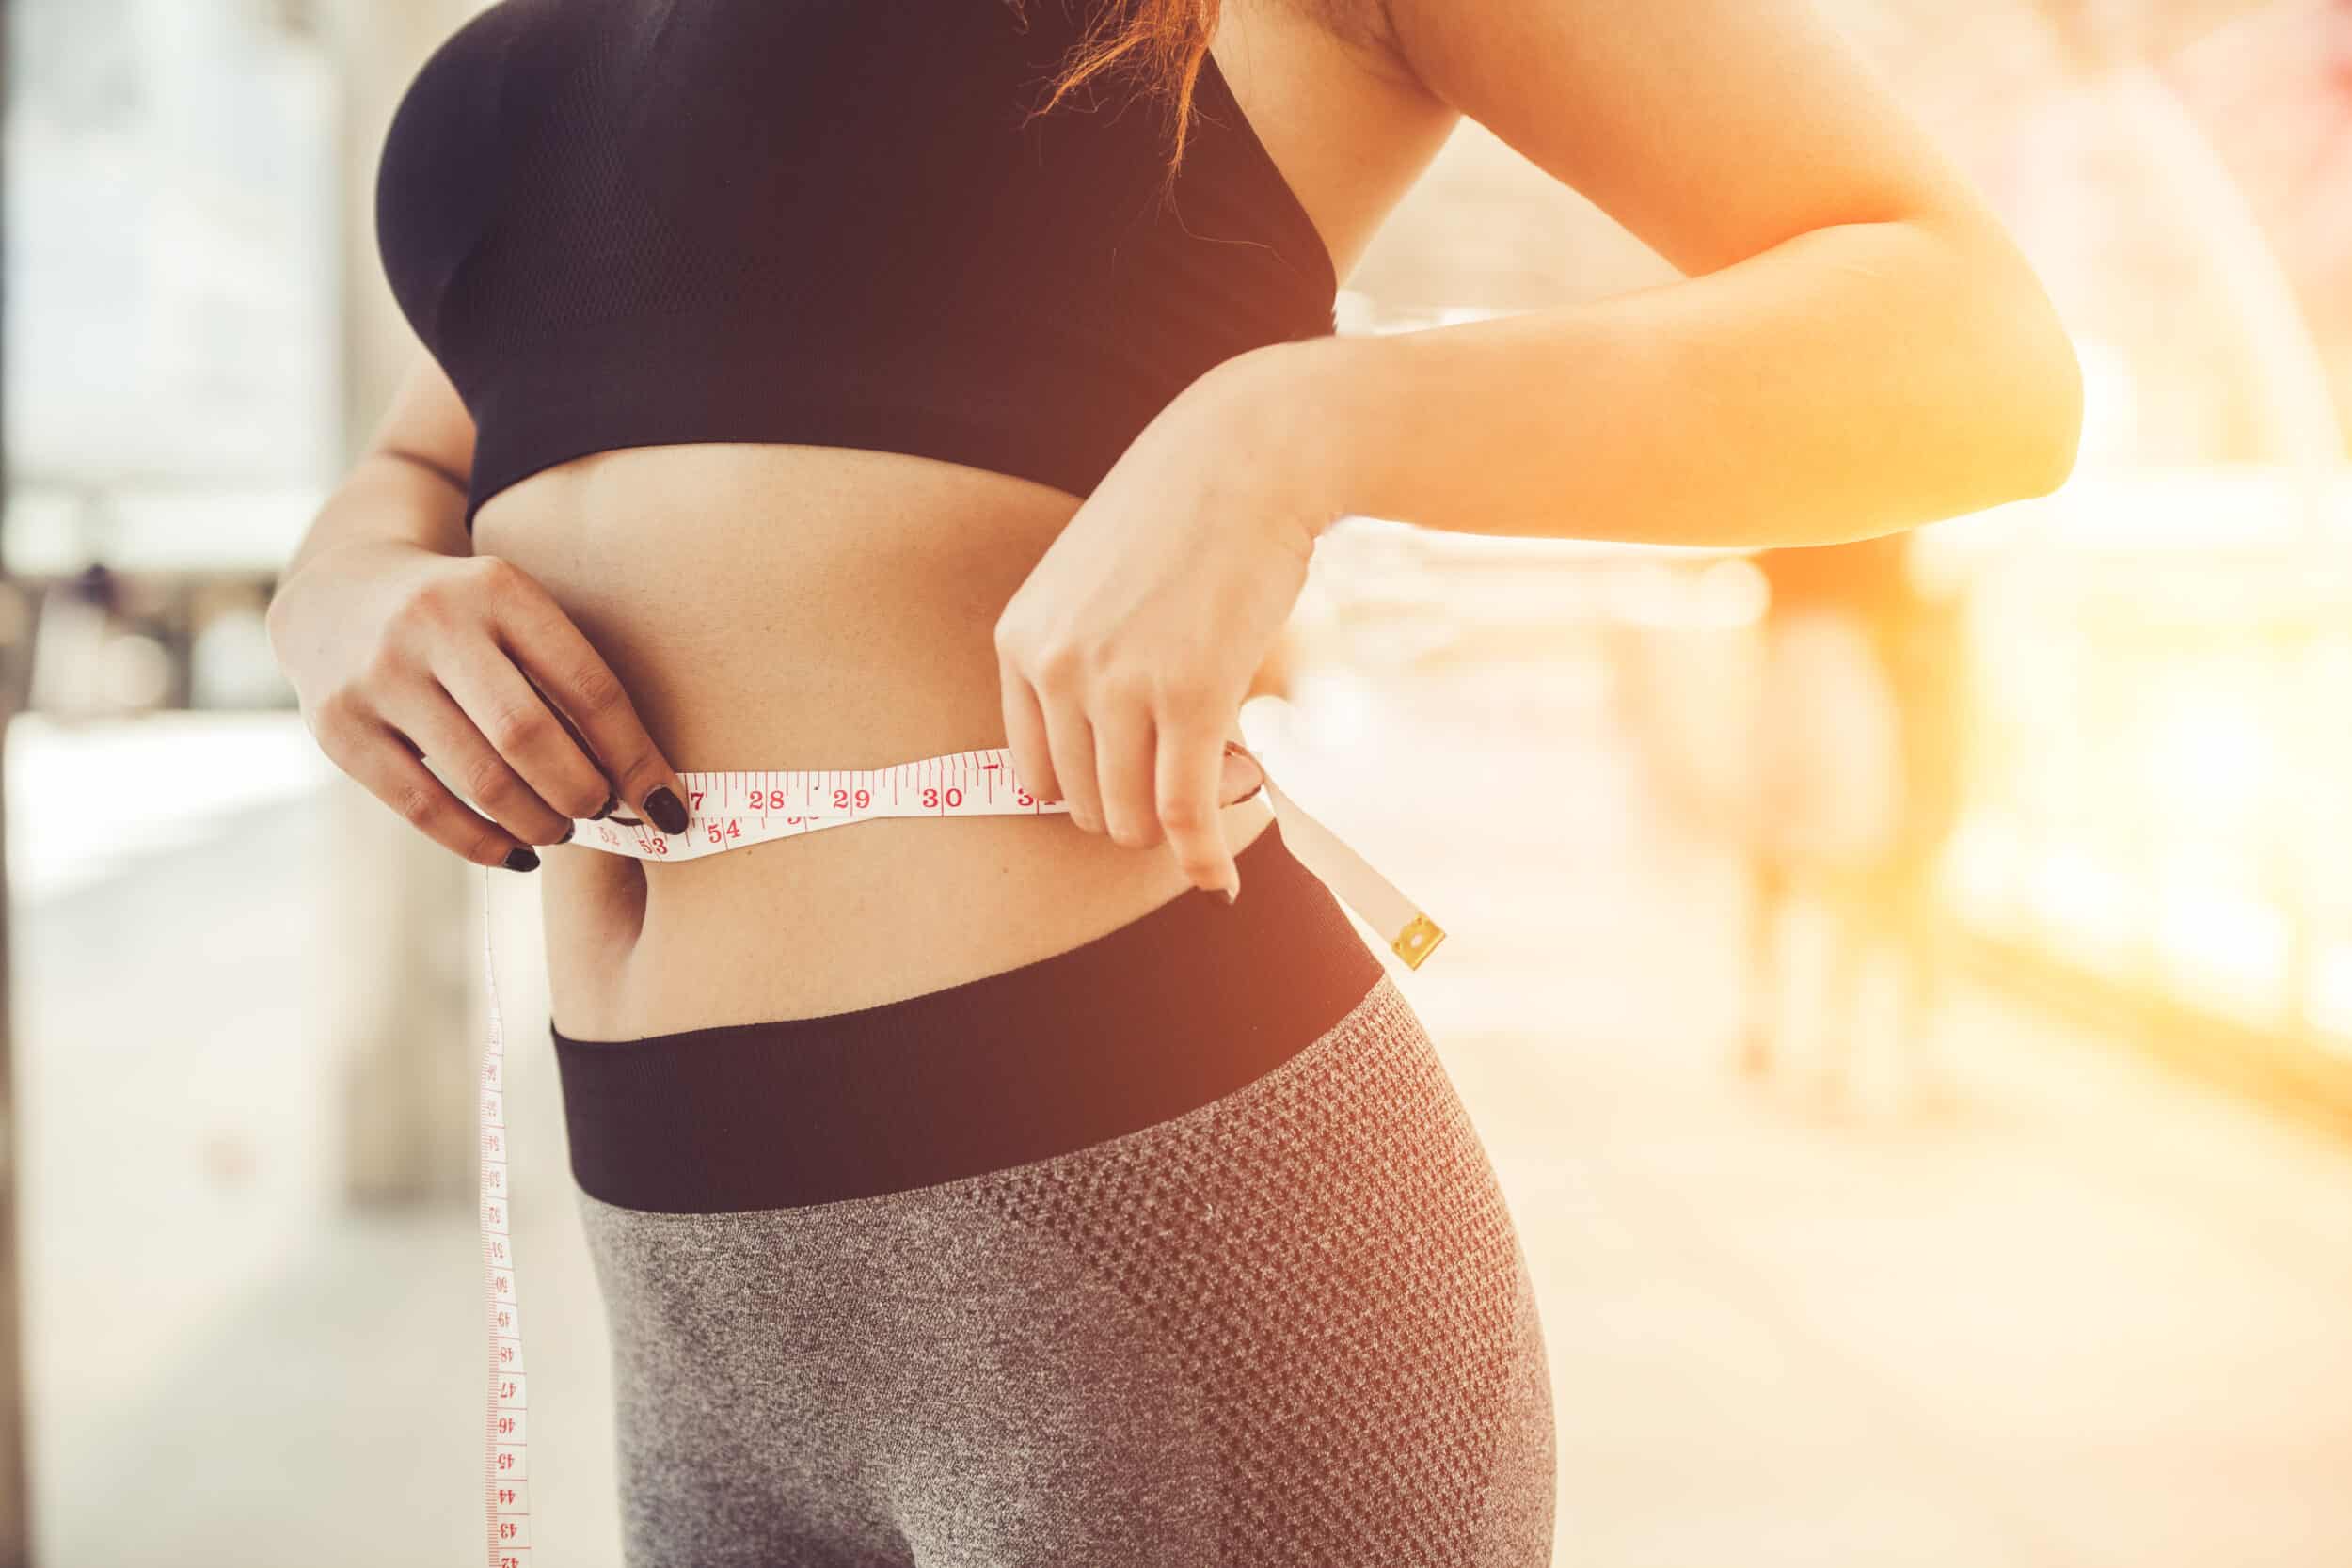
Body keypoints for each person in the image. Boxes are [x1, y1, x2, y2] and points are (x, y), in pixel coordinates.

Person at [263, 0, 2080, 1560]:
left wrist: (1300, 425)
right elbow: (440, 441)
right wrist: (339, 586)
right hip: (690, 1296)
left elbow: (1976, 353)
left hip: (1165, 1238)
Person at [1740, 531, 1970, 1110]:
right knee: (1847, 872)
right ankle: (1834, 1045)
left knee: (1796, 868)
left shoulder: (1790, 496)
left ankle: (1795, 1034)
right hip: (1852, 679)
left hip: (1806, 669)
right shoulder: (1884, 499)